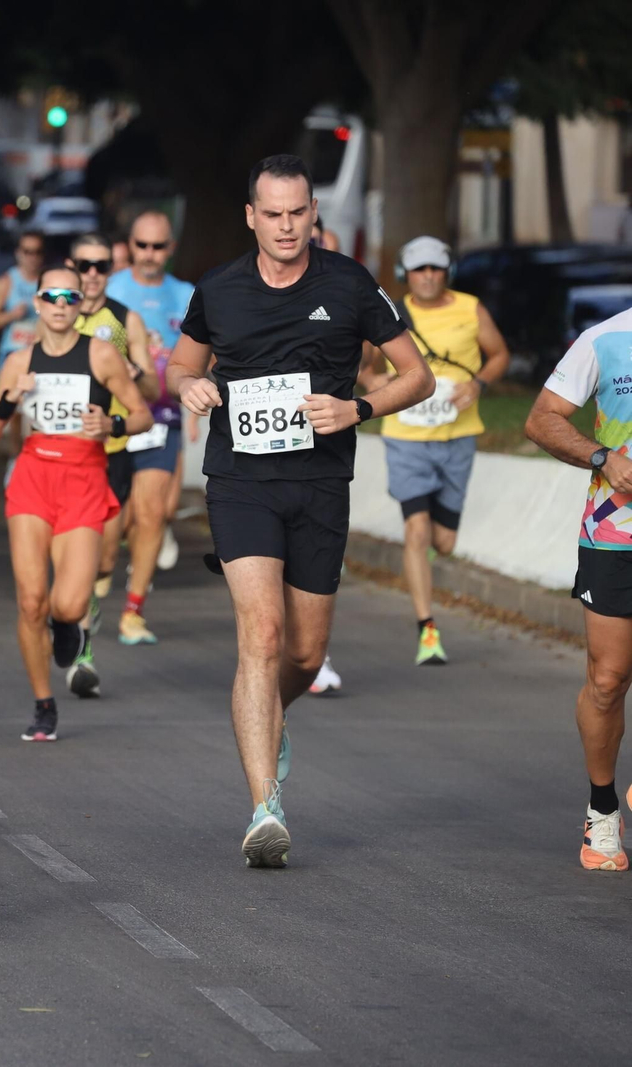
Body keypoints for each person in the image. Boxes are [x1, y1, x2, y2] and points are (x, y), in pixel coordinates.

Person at [167, 154, 432, 868]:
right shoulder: (218, 288)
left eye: (298, 213)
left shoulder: (348, 284)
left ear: (314, 213)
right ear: (251, 216)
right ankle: (264, 806)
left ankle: (270, 714)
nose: (287, 227)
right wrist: (190, 385)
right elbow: (179, 363)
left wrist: (359, 407)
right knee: (263, 631)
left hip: (319, 483)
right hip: (241, 480)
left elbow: (419, 374)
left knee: (306, 655)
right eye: (273, 214)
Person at [0, 267, 153, 741]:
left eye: (69, 297)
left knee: (70, 602)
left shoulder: (101, 354)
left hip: (83, 476)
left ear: (80, 305)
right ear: (37, 303)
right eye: (51, 296)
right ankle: (43, 704)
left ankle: (69, 626)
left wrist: (113, 426)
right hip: (34, 475)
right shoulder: (18, 361)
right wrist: (6, 404)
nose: (60, 304)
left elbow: (140, 413)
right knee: (31, 600)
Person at [359, 235, 510, 665]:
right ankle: (427, 629)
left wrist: (478, 383)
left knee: (443, 542)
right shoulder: (391, 313)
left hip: (458, 436)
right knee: (417, 531)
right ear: (407, 274)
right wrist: (373, 384)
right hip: (405, 437)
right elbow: (365, 366)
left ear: (447, 272)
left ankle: (423, 553)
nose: (428, 276)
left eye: (435, 268)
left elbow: (499, 354)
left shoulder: (470, 307)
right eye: (419, 269)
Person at [525, 306, 632, 870]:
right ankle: (602, 812)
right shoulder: (605, 338)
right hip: (616, 531)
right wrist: (602, 457)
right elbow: (542, 418)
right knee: (609, 678)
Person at [67, 234, 154, 695]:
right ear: (71, 266)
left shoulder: (124, 319)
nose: (93, 274)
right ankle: (80, 646)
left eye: (102, 265)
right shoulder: (52, 316)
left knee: (102, 558)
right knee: (69, 560)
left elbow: (154, 391)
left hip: (111, 454)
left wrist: (133, 373)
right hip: (60, 456)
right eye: (85, 265)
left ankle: (88, 615)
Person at [107, 211, 198, 644]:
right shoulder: (110, 289)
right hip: (113, 417)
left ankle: (134, 610)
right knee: (114, 521)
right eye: (141, 245)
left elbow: (203, 359)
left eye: (158, 246)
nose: (149, 255)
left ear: (171, 248)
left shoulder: (186, 294)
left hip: (163, 417)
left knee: (152, 513)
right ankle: (104, 570)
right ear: (131, 245)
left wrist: (195, 408)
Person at [0, 230, 44, 364]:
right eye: (27, 251)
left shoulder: (49, 280)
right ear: (18, 253)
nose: (33, 257)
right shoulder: (6, 281)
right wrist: (12, 315)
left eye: (38, 252)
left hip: (41, 351)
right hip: (12, 351)